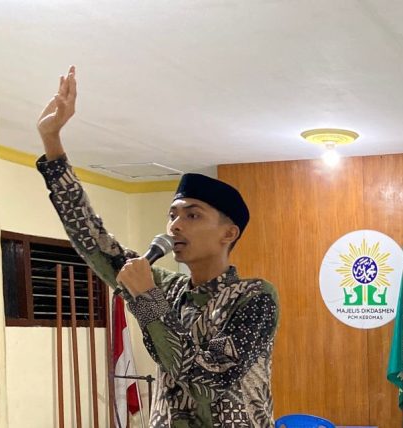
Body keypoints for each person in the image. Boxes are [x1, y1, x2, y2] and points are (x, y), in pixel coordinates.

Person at [36, 66, 280, 427]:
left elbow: (208, 381)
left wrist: (148, 299)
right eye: (173, 214)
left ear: (228, 233)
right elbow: (94, 242)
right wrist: (52, 142)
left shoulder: (254, 298)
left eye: (193, 215)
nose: (175, 225)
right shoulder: (167, 287)